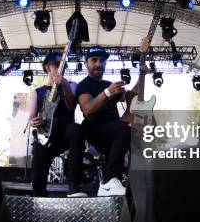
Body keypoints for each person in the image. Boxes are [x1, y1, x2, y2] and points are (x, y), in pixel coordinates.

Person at [69, 45, 146, 196]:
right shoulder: (84, 85)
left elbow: (131, 96)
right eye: (94, 60)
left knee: (134, 136)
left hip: (114, 130)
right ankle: (110, 181)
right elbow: (88, 109)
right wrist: (107, 92)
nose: (98, 64)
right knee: (125, 129)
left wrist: (141, 76)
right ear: (86, 63)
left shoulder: (108, 83)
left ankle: (127, 182)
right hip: (95, 128)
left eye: (102, 60)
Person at [29, 52, 85, 197]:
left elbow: (72, 106)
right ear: (48, 67)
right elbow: (31, 119)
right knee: (37, 182)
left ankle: (73, 186)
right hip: (46, 137)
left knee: (76, 129)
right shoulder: (37, 93)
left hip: (66, 132)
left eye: (64, 64)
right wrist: (35, 121)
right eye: (57, 64)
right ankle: (40, 199)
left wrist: (65, 84)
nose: (62, 67)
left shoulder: (71, 85)